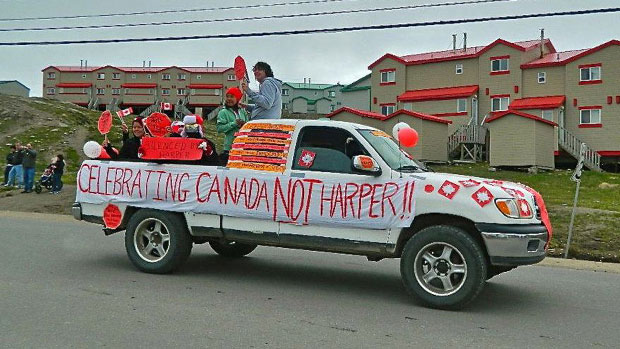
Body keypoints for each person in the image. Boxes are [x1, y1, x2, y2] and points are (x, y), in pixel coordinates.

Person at [217, 87, 249, 165]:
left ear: (237, 98)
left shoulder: (243, 111)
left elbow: (248, 126)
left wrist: (244, 125)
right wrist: (234, 123)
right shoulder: (223, 112)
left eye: (232, 96)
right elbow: (219, 129)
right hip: (229, 148)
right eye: (227, 96)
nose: (229, 99)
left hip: (243, 147)